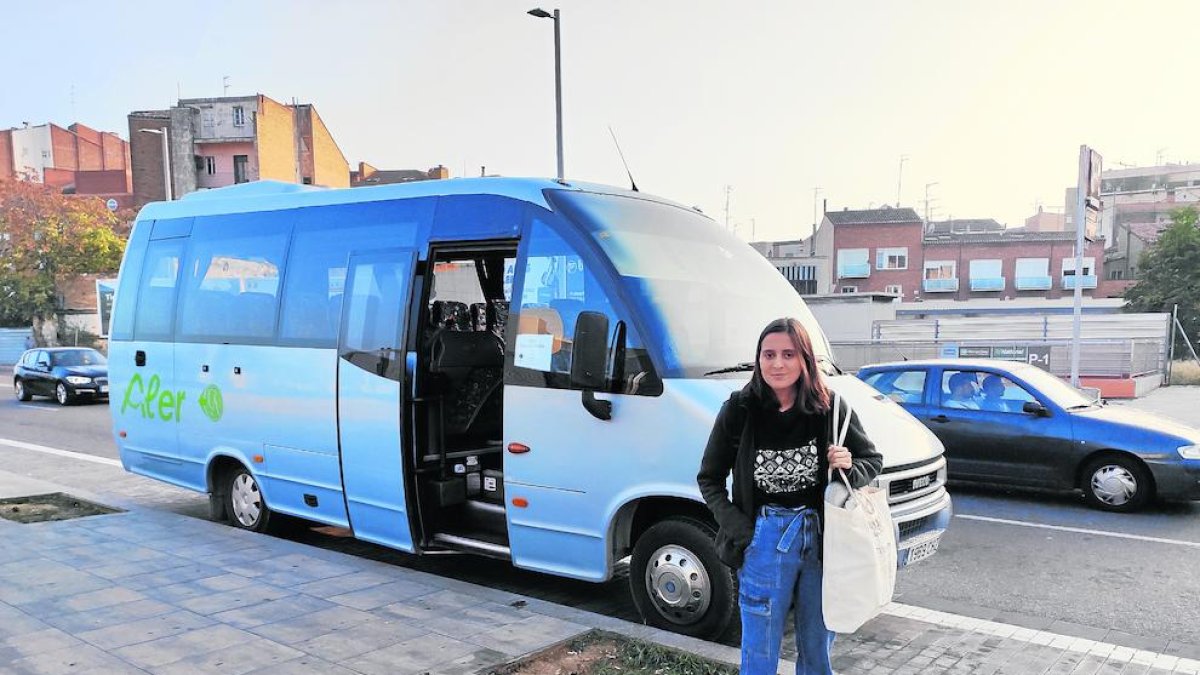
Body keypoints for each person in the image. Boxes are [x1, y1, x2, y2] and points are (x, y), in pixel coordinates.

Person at [697, 318, 882, 675]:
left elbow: (871, 460)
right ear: (758, 359)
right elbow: (710, 479)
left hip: (821, 541)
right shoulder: (739, 410)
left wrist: (849, 466)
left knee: (816, 648)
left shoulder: (831, 408)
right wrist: (742, 531)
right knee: (759, 652)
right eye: (769, 355)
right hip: (763, 537)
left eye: (788, 354)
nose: (777, 364)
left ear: (805, 360)